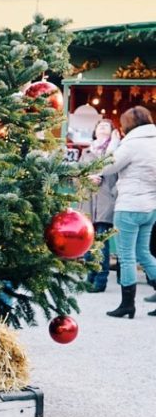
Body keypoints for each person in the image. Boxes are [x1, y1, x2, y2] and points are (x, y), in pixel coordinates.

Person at [91, 106, 156, 319]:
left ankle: (127, 304)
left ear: (128, 124)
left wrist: (116, 144)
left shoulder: (131, 144)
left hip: (129, 206)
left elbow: (108, 166)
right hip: (150, 207)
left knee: (127, 256)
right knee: (144, 253)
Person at [80, 119, 119, 292]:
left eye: (106, 126)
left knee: (101, 243)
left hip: (105, 202)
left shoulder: (115, 151)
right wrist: (86, 178)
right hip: (88, 202)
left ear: (112, 131)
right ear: (94, 131)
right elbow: (76, 175)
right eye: (99, 125)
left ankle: (101, 280)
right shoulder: (87, 151)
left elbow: (119, 176)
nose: (102, 127)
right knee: (88, 242)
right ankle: (90, 276)